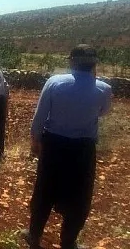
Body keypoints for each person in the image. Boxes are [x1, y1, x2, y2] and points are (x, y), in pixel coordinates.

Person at [24, 45, 112, 249]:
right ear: (94, 64)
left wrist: (35, 142)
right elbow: (102, 112)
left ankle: (34, 235)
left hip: (54, 145)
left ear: (71, 61)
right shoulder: (103, 89)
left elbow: (39, 118)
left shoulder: (54, 82)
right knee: (80, 195)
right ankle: (69, 241)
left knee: (44, 191)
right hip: (83, 149)